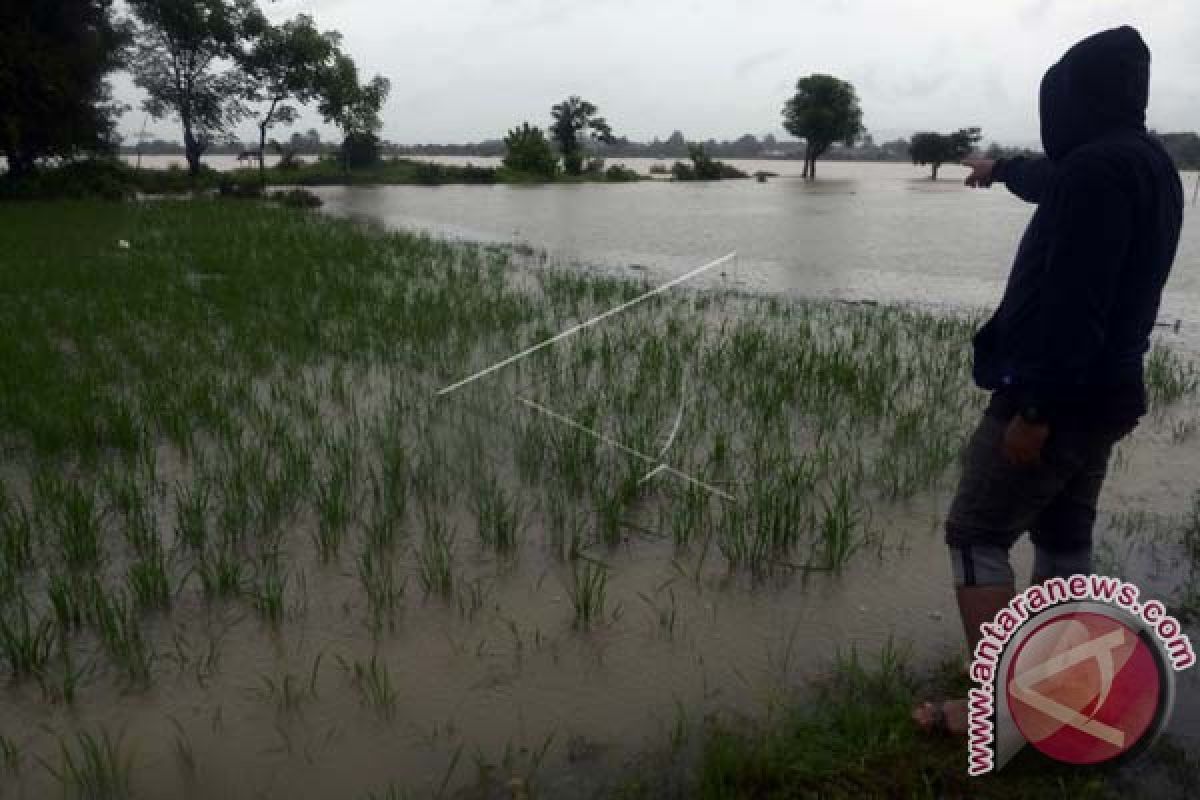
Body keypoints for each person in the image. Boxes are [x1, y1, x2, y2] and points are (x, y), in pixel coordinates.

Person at [914, 25, 1184, 734]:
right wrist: (998, 168)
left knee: (976, 533)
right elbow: (1051, 180)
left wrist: (1035, 407)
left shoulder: (1096, 171)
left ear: (1073, 99)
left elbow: (1075, 303)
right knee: (1064, 533)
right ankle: (1059, 694)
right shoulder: (1145, 162)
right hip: (1111, 393)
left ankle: (1007, 714)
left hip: (1059, 394)